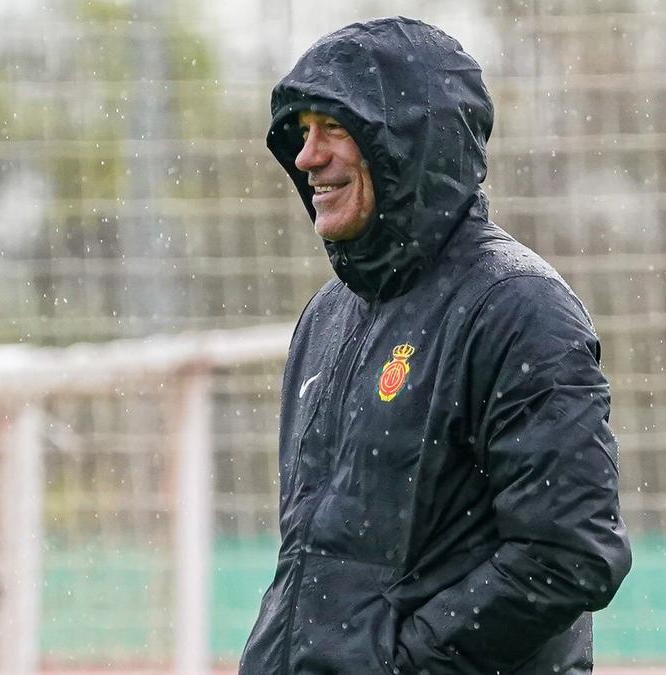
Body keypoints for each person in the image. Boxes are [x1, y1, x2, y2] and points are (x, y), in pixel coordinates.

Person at [239, 16, 632, 675]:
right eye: (303, 132)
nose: (308, 156)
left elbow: (570, 554)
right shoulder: (326, 315)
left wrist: (404, 664)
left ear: (406, 140)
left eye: (334, 128)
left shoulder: (520, 308)